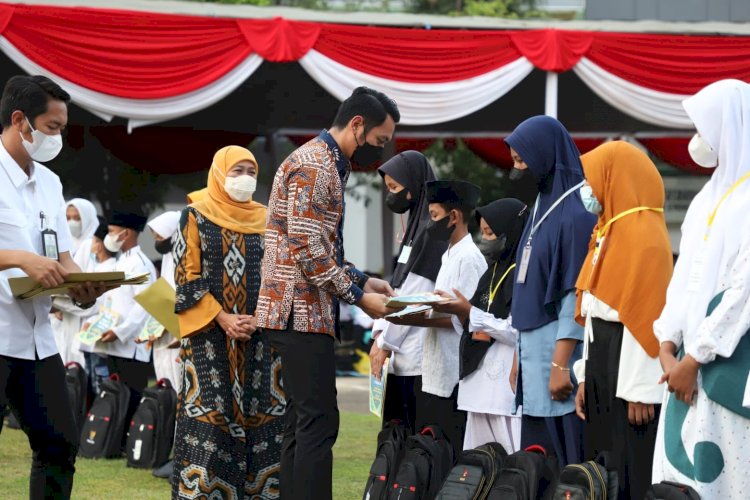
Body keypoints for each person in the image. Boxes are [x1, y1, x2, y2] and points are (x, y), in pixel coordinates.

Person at [256, 86, 400, 500]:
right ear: (357, 124)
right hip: (296, 312)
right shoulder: (316, 164)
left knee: (302, 423)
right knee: (319, 422)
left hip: (301, 311)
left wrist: (363, 278)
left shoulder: (328, 163)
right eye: (379, 140)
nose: (380, 150)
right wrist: (359, 297)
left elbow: (319, 245)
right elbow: (308, 252)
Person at [0, 74, 106, 499]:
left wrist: (83, 285)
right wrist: (21, 259)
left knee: (59, 444)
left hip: (38, 339)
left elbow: (63, 257)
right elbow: (32, 257)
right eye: (52, 128)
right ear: (20, 119)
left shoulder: (50, 183)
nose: (58, 137)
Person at [652, 79, 750, 499]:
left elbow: (743, 293)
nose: (696, 141)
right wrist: (667, 344)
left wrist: (696, 357)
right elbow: (683, 282)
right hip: (681, 373)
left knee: (722, 480)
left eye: (702, 128)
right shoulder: (704, 198)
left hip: (724, 368)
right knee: (678, 481)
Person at [172, 146, 284, 499]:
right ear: (219, 173)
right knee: (212, 423)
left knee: (263, 422)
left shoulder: (268, 219)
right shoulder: (195, 215)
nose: (245, 178)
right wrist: (223, 318)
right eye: (237, 171)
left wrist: (258, 317)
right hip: (210, 342)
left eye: (251, 171)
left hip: (261, 339)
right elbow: (185, 278)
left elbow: (279, 277)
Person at [572, 141, 673, 499]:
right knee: (603, 468)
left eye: (592, 179)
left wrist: (641, 390)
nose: (588, 189)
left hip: (628, 371)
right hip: (602, 362)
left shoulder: (646, 238)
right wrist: (584, 375)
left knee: (631, 468)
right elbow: (595, 311)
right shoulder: (606, 231)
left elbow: (648, 318)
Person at [505, 115, 596, 467]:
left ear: (544, 155)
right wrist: (518, 354)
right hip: (532, 357)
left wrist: (560, 365)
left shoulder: (575, 214)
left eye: (520, 161)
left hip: (558, 362)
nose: (516, 169)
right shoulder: (541, 206)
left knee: (566, 462)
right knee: (536, 465)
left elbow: (575, 295)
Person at [390, 180, 487, 457]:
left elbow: (466, 319)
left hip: (452, 374)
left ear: (453, 216)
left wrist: (418, 320)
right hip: (434, 369)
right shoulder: (449, 254)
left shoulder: (468, 258)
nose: (430, 224)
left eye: (434, 216)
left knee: (447, 452)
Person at [433, 198, 528, 453]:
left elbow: (519, 331)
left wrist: (469, 312)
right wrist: (458, 310)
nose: (485, 239)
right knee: (476, 466)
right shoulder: (492, 270)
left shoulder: (522, 272)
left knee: (509, 460)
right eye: (483, 232)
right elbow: (470, 319)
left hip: (503, 388)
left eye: (490, 233)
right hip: (476, 384)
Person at [370, 151, 447, 433]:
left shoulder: (430, 230)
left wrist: (385, 342)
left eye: (394, 188)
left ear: (413, 186)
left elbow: (416, 293)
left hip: (416, 353)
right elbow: (396, 286)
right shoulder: (415, 226)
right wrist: (379, 336)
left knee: (411, 435)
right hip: (399, 347)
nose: (391, 195)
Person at [89, 210, 157, 438]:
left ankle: (128, 440)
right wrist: (94, 324)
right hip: (114, 341)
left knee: (131, 395)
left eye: (111, 232)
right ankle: (114, 439)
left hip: (132, 345)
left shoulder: (141, 264)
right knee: (117, 393)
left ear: (125, 234)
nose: (108, 237)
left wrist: (120, 332)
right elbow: (109, 301)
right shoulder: (120, 262)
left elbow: (145, 306)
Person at [50, 198, 100, 367]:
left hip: (86, 315)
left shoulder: (93, 245)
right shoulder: (63, 244)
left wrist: (56, 303)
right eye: (68, 217)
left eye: (77, 217)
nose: (72, 222)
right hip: (64, 319)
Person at [79, 216, 117, 397]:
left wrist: (93, 321)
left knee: (100, 384)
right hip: (88, 335)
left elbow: (106, 306)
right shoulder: (96, 268)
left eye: (94, 241)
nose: (91, 245)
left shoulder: (111, 269)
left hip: (99, 333)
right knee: (89, 382)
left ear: (100, 244)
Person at [146, 210, 181, 389]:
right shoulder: (168, 257)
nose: (157, 240)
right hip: (164, 331)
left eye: (160, 235)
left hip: (179, 329)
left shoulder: (184, 256)